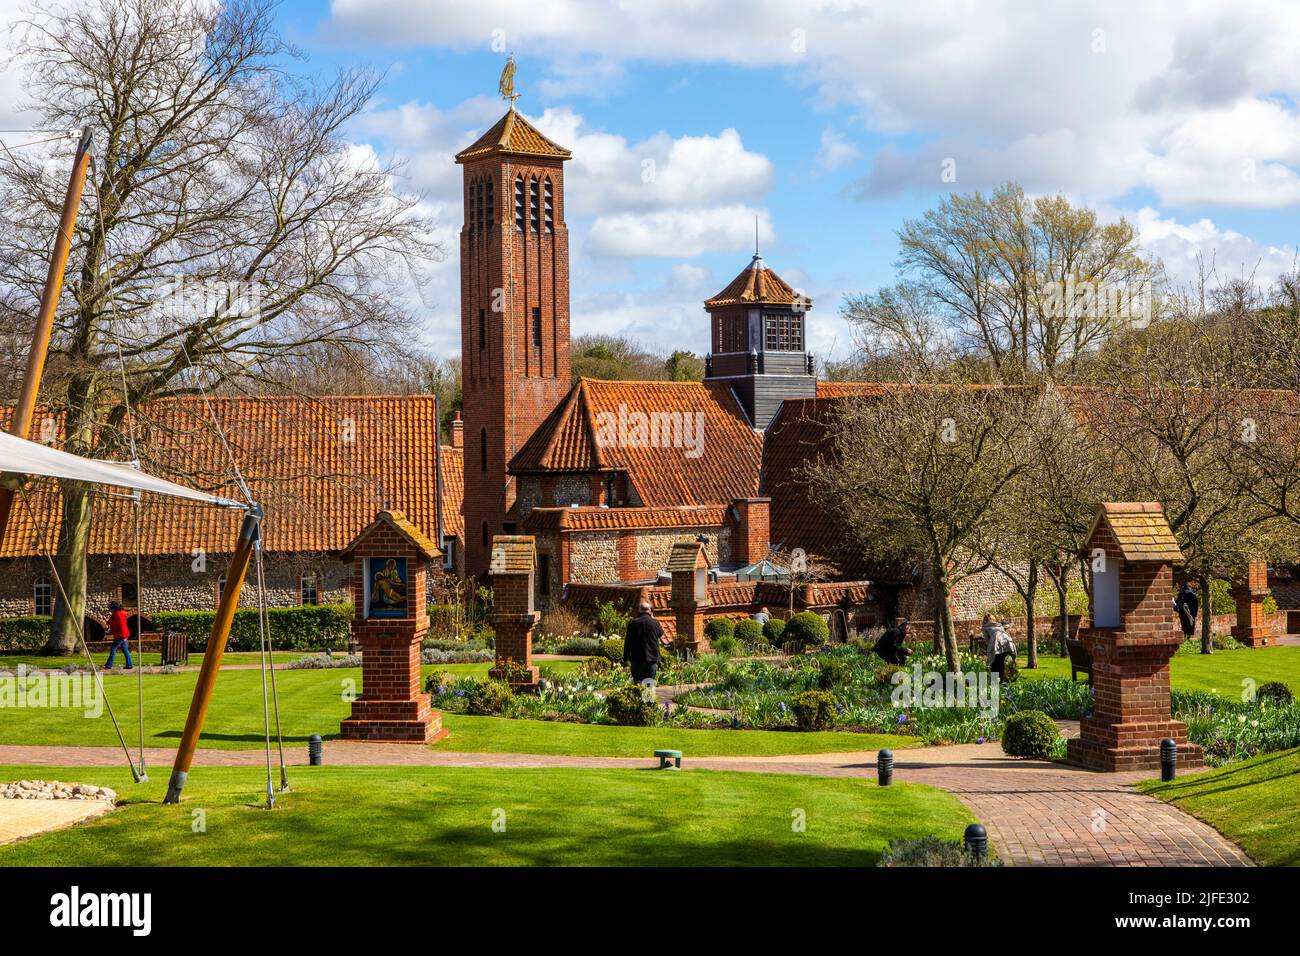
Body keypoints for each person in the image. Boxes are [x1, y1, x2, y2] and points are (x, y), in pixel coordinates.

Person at [623, 601, 664, 686]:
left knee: (637, 682)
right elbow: (661, 633)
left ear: (639, 610)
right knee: (650, 682)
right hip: (652, 658)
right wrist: (652, 617)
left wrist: (626, 656)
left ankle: (638, 698)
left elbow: (628, 641)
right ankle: (648, 699)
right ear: (650, 611)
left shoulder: (633, 623)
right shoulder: (655, 623)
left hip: (637, 658)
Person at [983, 613, 1016, 681]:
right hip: (1006, 643)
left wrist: (989, 650)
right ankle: (1002, 681)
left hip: (996, 645)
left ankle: (996, 681)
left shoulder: (985, 627)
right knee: (1001, 663)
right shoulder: (999, 625)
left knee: (995, 664)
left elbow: (987, 641)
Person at [105, 601, 134, 670]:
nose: (110, 610)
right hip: (122, 634)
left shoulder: (118, 614)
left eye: (111, 609)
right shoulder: (119, 613)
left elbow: (122, 626)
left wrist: (123, 636)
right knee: (125, 650)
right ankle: (129, 665)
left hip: (121, 635)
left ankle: (109, 665)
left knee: (113, 649)